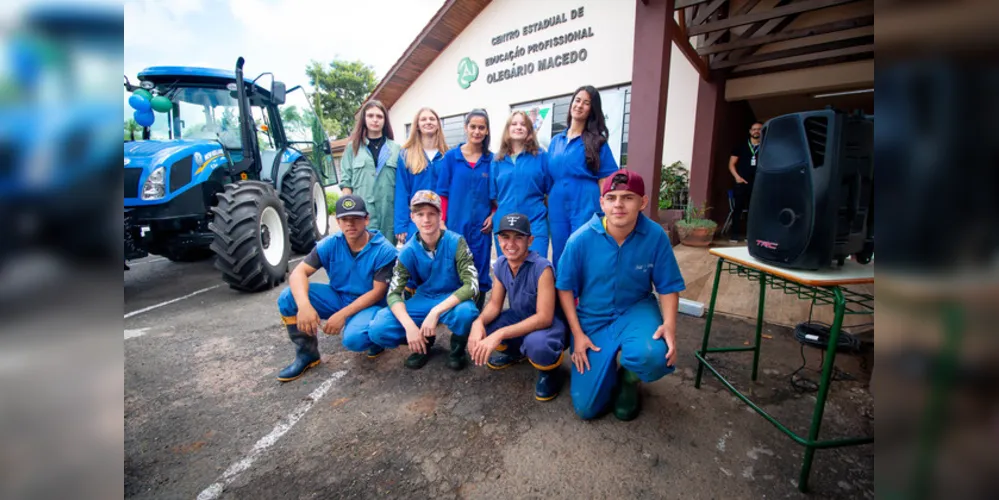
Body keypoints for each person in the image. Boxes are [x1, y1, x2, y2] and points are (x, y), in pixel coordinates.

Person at [556, 170, 686, 421]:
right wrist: (578, 334)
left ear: (643, 202)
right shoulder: (580, 240)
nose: (619, 204)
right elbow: (564, 288)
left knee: (654, 355)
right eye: (612, 197)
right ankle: (607, 371)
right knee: (587, 409)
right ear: (601, 202)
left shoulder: (656, 236)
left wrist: (670, 325)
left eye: (628, 197)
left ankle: (629, 379)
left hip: (636, 309)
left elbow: (668, 285)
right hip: (593, 315)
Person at [275, 194, 399, 382]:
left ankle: (374, 338)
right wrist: (304, 306)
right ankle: (307, 355)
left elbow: (377, 292)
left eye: (356, 219)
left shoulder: (383, 249)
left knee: (354, 340)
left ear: (366, 219)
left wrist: (342, 315)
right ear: (338, 222)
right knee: (288, 297)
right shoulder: (331, 244)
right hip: (338, 297)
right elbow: (298, 273)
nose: (350, 224)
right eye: (345, 219)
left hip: (370, 304)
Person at [367, 190, 480, 371]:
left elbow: (472, 285)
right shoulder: (408, 251)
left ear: (440, 215)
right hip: (425, 297)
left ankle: (457, 349)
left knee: (466, 312)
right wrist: (410, 326)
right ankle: (421, 343)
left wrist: (435, 312)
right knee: (378, 329)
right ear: (412, 217)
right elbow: (394, 293)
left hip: (451, 297)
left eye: (431, 214)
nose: (426, 220)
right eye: (420, 214)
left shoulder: (456, 241)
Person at [468, 213, 568, 401]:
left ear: (530, 240)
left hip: (548, 326)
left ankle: (550, 370)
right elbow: (495, 304)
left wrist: (501, 333)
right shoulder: (501, 264)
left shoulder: (542, 268)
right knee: (486, 328)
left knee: (537, 344)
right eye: (505, 237)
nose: (511, 244)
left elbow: (544, 317)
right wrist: (478, 322)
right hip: (520, 317)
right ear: (498, 239)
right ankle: (516, 354)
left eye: (518, 237)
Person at [547, 85, 620, 268]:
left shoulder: (597, 141)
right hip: (557, 205)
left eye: (586, 103)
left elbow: (607, 180)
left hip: (585, 202)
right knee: (560, 250)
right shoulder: (556, 141)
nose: (579, 105)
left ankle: (583, 295)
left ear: (592, 109)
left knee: (583, 250)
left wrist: (608, 210)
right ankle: (561, 294)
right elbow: (547, 177)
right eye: (577, 100)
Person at [436, 108, 494, 309]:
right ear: (465, 128)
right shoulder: (452, 158)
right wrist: (442, 221)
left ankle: (475, 318)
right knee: (455, 270)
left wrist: (494, 215)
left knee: (480, 271)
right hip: (455, 226)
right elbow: (442, 193)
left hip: (481, 229)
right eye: (473, 127)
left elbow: (496, 195)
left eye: (481, 128)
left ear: (487, 131)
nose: (477, 131)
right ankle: (458, 320)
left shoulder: (491, 160)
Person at [490, 110, 551, 256]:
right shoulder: (497, 160)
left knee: (536, 270)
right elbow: (493, 196)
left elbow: (549, 191)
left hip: (534, 224)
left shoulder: (541, 157)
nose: (518, 127)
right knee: (509, 273)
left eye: (523, 124)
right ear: (508, 129)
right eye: (514, 124)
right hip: (505, 226)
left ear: (529, 130)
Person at [340, 99, 401, 244]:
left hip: (388, 216)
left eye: (379, 116)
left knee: (387, 258)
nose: (375, 120)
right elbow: (346, 183)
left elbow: (403, 185)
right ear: (364, 119)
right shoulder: (352, 148)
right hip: (362, 215)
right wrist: (348, 213)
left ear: (385, 120)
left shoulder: (396, 149)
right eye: (370, 116)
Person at [395, 107, 449, 245]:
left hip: (442, 219)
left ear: (438, 124)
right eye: (423, 119)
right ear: (417, 126)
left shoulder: (448, 156)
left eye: (432, 119)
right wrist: (401, 225)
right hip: (416, 221)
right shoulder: (405, 155)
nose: (428, 122)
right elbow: (401, 191)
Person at [728, 121, 763, 242]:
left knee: (753, 210)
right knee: (738, 209)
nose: (756, 131)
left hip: (757, 184)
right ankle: (734, 235)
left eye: (759, 129)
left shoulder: (765, 146)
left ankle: (750, 235)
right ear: (750, 131)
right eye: (754, 129)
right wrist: (737, 177)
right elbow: (731, 164)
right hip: (741, 182)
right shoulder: (741, 146)